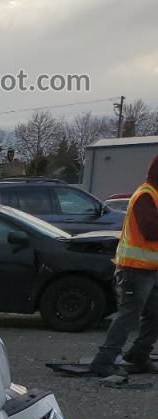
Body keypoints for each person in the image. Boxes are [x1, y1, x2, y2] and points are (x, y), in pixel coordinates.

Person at [89, 155, 158, 376]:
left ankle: (139, 354)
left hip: (150, 268)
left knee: (155, 314)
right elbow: (150, 230)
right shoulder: (145, 196)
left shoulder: (154, 195)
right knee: (128, 315)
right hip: (134, 269)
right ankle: (104, 361)